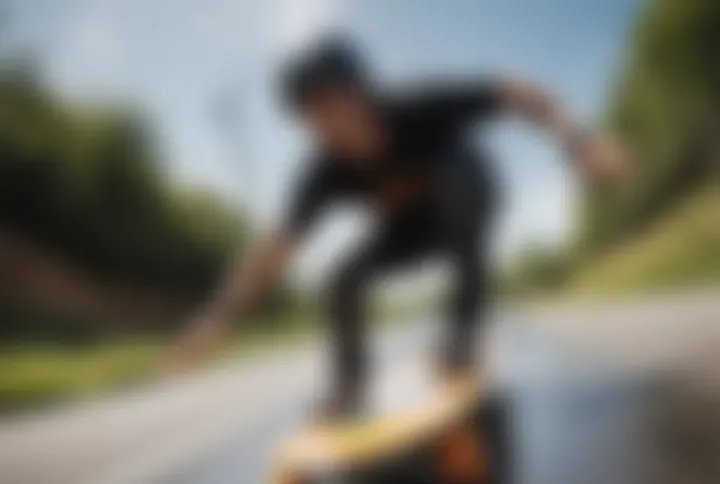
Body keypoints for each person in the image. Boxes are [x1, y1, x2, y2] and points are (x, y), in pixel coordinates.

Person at [172, 36, 627, 420]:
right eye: (310, 118)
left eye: (331, 106)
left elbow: (518, 92)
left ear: (361, 93)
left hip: (469, 200)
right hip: (411, 232)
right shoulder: (323, 170)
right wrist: (219, 317)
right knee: (339, 280)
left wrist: (577, 142)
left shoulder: (416, 108)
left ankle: (462, 332)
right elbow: (274, 248)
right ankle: (349, 382)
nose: (325, 127)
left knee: (456, 179)